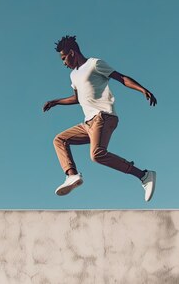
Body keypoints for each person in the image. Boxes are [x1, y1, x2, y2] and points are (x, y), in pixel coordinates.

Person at [43, 35, 158, 201]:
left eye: (64, 58)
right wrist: (55, 102)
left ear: (72, 53)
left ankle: (144, 175)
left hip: (104, 117)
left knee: (96, 154)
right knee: (59, 140)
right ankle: (72, 175)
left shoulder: (94, 64)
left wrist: (142, 89)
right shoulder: (73, 76)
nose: (63, 63)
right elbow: (77, 98)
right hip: (88, 123)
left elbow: (121, 78)